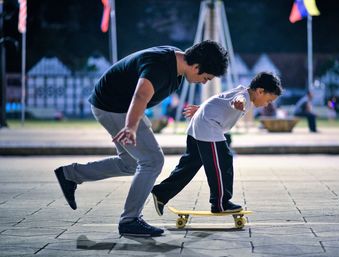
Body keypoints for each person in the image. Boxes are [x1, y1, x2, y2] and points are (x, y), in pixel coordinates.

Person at [53, 40, 229, 237]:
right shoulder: (160, 67)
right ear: (196, 66)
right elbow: (140, 96)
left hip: (117, 105)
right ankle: (130, 220)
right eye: (206, 77)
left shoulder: (175, 62)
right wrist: (130, 126)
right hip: (114, 107)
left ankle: (70, 175)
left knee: (130, 163)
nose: (204, 82)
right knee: (152, 161)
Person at [151, 72, 282, 215]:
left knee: (189, 165)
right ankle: (221, 203)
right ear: (260, 91)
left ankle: (161, 193)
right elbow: (235, 101)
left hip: (201, 125)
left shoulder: (241, 90)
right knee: (223, 161)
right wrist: (239, 103)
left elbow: (219, 99)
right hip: (209, 128)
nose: (266, 105)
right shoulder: (243, 97)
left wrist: (200, 108)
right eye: (268, 100)